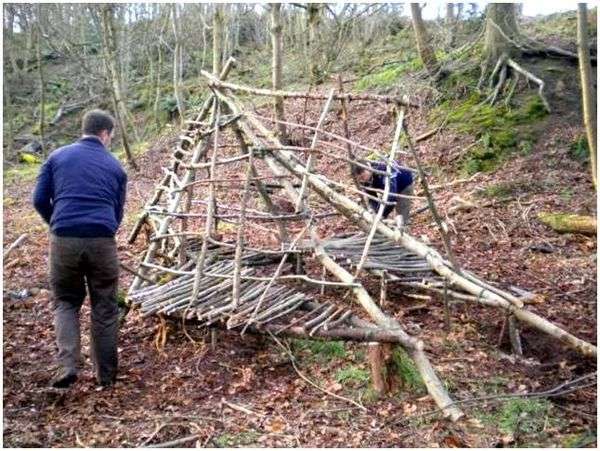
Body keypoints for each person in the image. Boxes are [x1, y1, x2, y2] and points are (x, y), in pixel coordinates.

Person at [33, 109, 127, 388]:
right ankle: (106, 377)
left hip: (64, 241)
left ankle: (67, 365)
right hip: (102, 241)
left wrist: (58, 224)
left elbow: (39, 199)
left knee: (66, 301)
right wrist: (102, 229)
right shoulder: (115, 166)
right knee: (105, 307)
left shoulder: (57, 157)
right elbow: (117, 213)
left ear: (84, 129)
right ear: (105, 133)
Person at [352, 159, 414, 225]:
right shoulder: (365, 180)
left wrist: (382, 214)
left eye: (363, 176)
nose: (363, 180)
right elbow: (372, 197)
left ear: (368, 167)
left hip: (404, 184)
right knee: (381, 212)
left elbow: (392, 196)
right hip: (388, 187)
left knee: (402, 216)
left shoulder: (382, 169)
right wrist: (374, 211)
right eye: (360, 179)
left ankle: (404, 230)